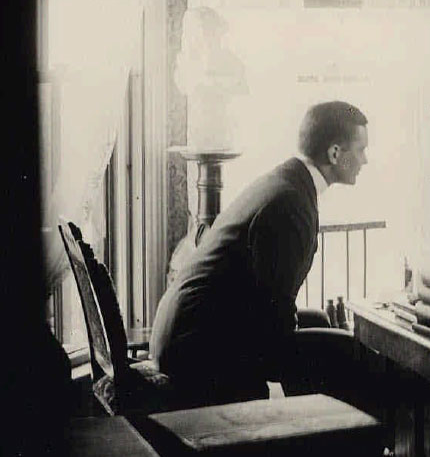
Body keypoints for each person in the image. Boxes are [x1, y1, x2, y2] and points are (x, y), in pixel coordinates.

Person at [150, 101, 369, 403]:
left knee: (320, 322)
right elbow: (275, 311)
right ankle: (323, 439)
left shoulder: (285, 181)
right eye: (360, 150)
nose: (365, 160)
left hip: (187, 333)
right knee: (349, 352)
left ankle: (312, 431)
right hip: (197, 351)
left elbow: (270, 303)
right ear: (334, 153)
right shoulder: (291, 202)